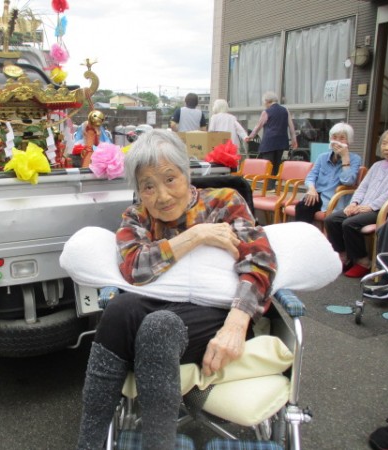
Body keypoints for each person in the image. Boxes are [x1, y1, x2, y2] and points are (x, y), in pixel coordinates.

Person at [76, 129, 277, 449]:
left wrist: (237, 324)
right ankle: (90, 442)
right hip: (154, 305)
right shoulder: (136, 216)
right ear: (139, 190)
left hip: (214, 314)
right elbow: (134, 269)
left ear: (187, 173)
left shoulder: (224, 202)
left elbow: (260, 260)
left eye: (170, 179)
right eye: (148, 186)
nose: (162, 196)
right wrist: (196, 236)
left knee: (159, 326)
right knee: (117, 310)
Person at [324, 127, 388, 278]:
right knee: (332, 219)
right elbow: (363, 187)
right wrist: (354, 203)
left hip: (383, 209)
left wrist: (370, 206)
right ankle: (344, 256)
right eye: (384, 143)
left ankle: (363, 262)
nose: (387, 147)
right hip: (363, 206)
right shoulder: (376, 165)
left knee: (350, 223)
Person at [294, 122, 362, 223]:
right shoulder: (322, 157)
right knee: (302, 207)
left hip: (335, 200)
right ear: (330, 139)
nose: (337, 141)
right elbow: (311, 176)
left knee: (306, 208)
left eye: (342, 138)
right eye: (334, 137)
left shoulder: (355, 159)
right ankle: (303, 233)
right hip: (317, 195)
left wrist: (345, 158)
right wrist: (311, 189)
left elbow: (348, 181)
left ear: (348, 141)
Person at [244, 91, 298, 190]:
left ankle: (268, 187)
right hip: (281, 142)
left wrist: (250, 137)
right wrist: (294, 140)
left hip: (269, 142)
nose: (264, 104)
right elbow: (291, 127)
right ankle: (272, 185)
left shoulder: (266, 112)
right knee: (276, 164)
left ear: (267, 101)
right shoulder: (285, 110)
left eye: (264, 102)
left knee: (268, 164)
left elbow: (258, 126)